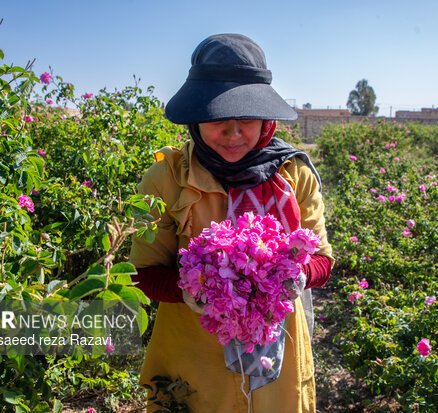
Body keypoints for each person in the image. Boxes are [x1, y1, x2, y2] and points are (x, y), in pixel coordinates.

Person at [130, 33, 333, 412]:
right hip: (193, 354)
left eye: (247, 119)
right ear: (196, 119)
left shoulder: (295, 176)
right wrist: (192, 290)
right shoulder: (166, 178)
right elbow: (141, 272)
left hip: (278, 356)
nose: (233, 134)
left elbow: (322, 259)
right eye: (217, 120)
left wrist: (297, 276)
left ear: (266, 120)